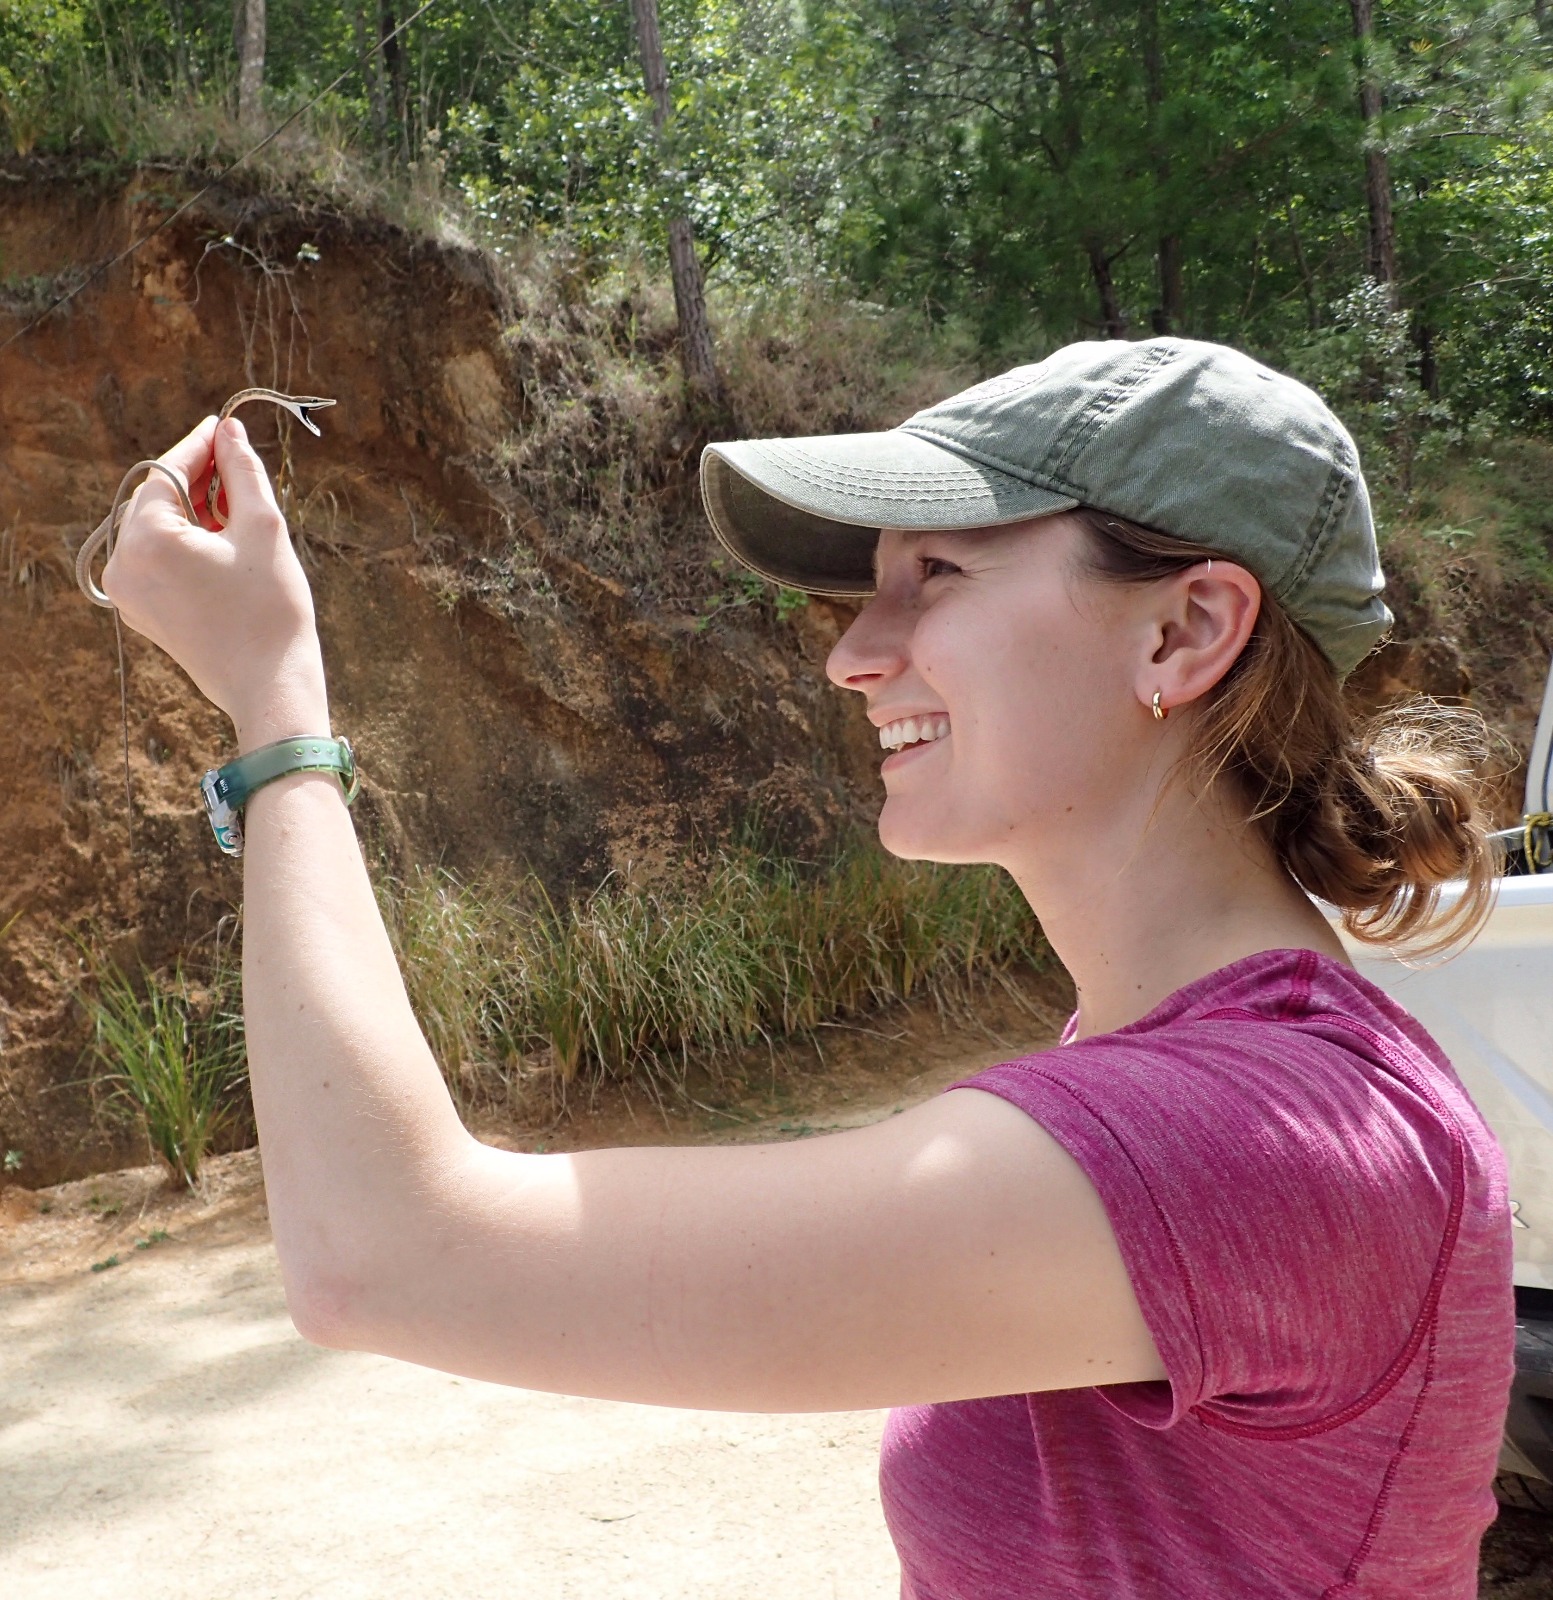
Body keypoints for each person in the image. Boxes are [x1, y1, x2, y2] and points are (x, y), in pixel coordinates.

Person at [103, 337, 1512, 1599]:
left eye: (936, 577)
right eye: (867, 590)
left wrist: (274, 705)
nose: (851, 654)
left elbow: (383, 1256)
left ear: (1184, 628)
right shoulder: (1213, 1081)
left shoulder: (1258, 1141)